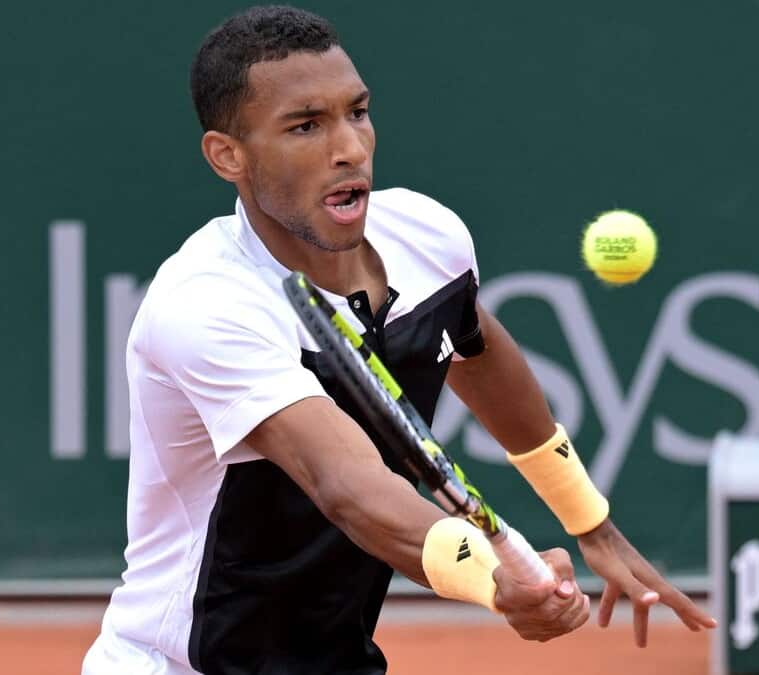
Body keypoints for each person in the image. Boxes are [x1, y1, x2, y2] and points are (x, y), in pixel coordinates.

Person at [82, 6, 715, 674]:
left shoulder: (428, 237)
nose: (349, 147)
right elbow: (347, 484)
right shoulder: (207, 304)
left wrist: (589, 520)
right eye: (305, 125)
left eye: (357, 112)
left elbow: (482, 355)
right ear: (227, 155)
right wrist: (494, 577)